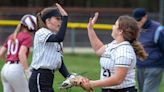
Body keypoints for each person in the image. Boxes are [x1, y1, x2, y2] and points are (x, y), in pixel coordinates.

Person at [79, 12, 148, 92]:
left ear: (120, 31)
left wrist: (92, 84)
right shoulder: (115, 44)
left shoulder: (124, 51)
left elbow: (118, 79)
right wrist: (90, 29)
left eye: (115, 25)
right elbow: (99, 49)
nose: (112, 26)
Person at [29, 3, 72, 92]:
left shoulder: (55, 38)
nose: (60, 22)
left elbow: (59, 63)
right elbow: (59, 38)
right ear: (48, 20)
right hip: (39, 77)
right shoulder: (41, 32)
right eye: (57, 19)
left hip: (48, 78)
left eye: (60, 19)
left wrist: (69, 76)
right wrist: (65, 17)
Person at [0, 14, 37, 92]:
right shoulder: (27, 36)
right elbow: (21, 54)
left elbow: (1, 53)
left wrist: (9, 61)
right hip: (15, 69)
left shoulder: (11, 36)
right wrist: (27, 70)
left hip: (5, 68)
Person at [132, 8, 164, 92]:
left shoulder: (158, 29)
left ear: (145, 17)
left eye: (139, 19)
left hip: (155, 66)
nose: (138, 22)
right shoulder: (136, 29)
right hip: (140, 66)